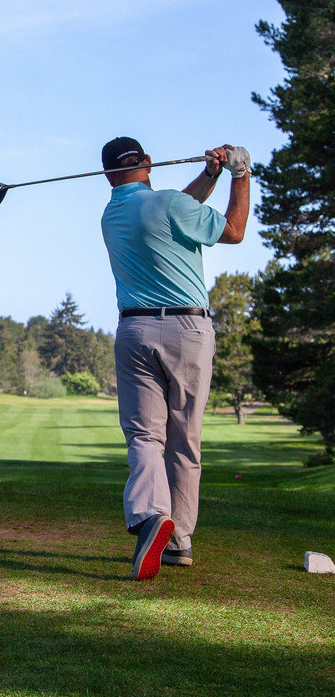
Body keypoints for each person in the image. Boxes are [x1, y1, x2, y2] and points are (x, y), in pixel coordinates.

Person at [100, 136, 250, 580]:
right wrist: (238, 172)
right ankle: (180, 538)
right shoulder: (169, 205)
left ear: (108, 175)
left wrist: (209, 174)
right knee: (185, 440)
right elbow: (235, 230)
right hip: (187, 330)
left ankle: (151, 516)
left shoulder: (112, 215)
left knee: (145, 437)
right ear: (148, 162)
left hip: (134, 329)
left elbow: (173, 210)